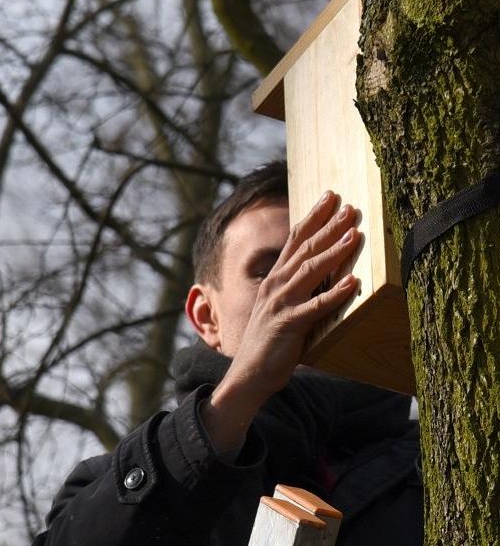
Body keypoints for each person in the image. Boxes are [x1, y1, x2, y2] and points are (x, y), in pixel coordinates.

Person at [32, 162, 422, 545]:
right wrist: (241, 393)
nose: (303, 288)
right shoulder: (113, 484)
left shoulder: (440, 462)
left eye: (329, 266)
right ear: (207, 317)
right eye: (269, 270)